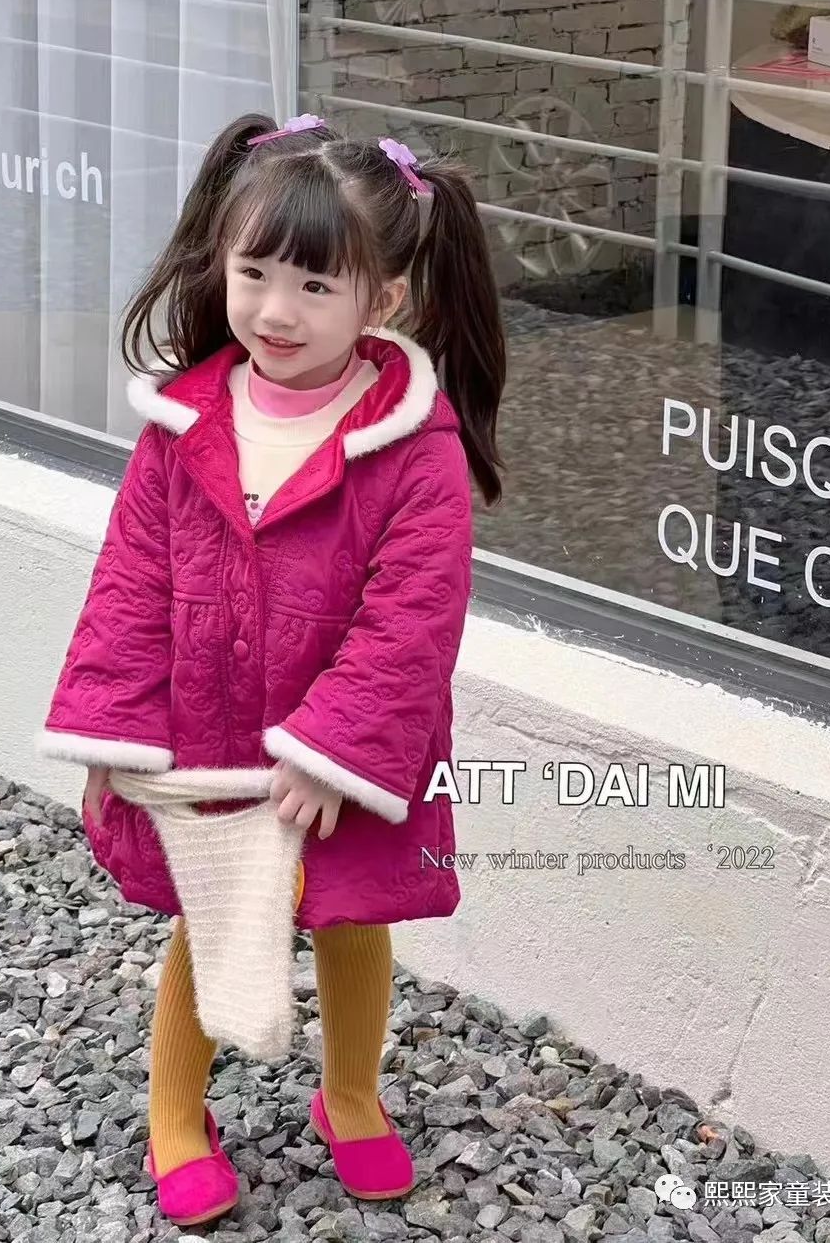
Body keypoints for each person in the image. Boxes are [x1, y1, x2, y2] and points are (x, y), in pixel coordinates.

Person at [35, 111, 506, 1229]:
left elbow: (412, 618)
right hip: (209, 736)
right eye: (254, 273)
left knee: (351, 914)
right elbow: (130, 585)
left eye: (315, 284)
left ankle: (349, 1095)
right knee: (215, 918)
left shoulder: (416, 445)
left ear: (384, 299)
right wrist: (111, 734)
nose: (275, 311)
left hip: (347, 755)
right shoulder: (183, 422)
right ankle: (175, 1113)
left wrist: (336, 752)